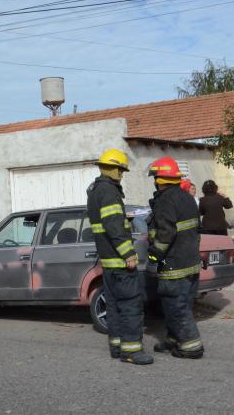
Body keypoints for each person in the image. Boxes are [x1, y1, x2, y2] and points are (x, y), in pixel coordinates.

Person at [86, 148, 153, 365]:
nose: (122, 174)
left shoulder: (95, 190)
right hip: (120, 262)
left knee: (113, 306)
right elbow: (114, 225)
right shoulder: (109, 191)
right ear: (113, 168)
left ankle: (117, 347)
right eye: (121, 170)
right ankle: (132, 351)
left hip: (108, 263)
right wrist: (128, 253)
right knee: (130, 305)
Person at [146, 157, 205, 359]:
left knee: (176, 306)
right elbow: (196, 229)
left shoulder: (165, 200)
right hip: (191, 263)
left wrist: (154, 257)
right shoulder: (186, 197)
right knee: (181, 303)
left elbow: (165, 234)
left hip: (173, 265)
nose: (154, 181)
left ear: (160, 179)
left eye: (155, 177)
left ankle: (191, 346)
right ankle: (174, 338)